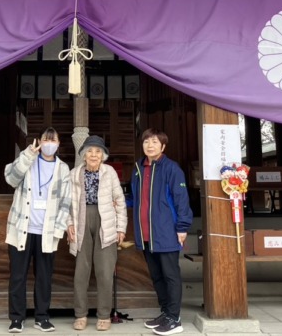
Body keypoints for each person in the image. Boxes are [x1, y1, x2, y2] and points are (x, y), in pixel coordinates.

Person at [4, 127, 72, 333]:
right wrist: (27, 156)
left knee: (44, 277)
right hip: (21, 229)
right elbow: (11, 179)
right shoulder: (28, 160)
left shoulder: (63, 168)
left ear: (58, 144)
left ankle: (42, 317)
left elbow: (65, 202)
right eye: (46, 139)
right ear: (39, 142)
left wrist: (58, 231)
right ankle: (17, 318)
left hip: (47, 232)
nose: (49, 143)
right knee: (18, 276)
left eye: (53, 140)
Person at [131, 128, 193, 336]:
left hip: (166, 231)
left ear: (163, 146)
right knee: (157, 276)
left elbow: (181, 199)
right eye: (146, 141)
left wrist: (182, 227)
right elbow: (137, 198)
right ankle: (166, 312)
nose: (150, 145)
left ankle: (174, 318)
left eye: (155, 142)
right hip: (145, 233)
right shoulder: (138, 168)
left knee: (170, 275)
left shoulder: (172, 169)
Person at [67, 135, 127, 332]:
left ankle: (104, 315)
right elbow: (66, 203)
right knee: (81, 272)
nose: (93, 155)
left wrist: (120, 228)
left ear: (103, 156)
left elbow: (119, 200)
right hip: (81, 221)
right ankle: (80, 314)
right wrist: (69, 224)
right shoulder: (74, 174)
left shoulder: (109, 172)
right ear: (84, 155)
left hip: (106, 223)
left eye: (98, 151)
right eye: (90, 151)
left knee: (105, 271)